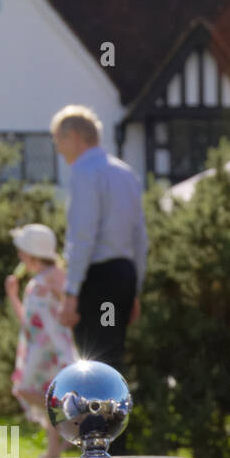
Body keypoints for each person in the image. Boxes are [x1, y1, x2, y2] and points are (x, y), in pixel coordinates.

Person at [50, 105, 148, 375]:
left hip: (98, 280)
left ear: (74, 137)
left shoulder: (84, 173)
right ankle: (114, 416)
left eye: (59, 139)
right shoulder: (126, 173)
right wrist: (135, 289)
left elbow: (83, 236)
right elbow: (140, 238)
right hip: (123, 277)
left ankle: (96, 418)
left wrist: (71, 292)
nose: (58, 148)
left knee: (92, 362)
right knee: (113, 358)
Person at [5, 224, 76, 458]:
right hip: (38, 352)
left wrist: (57, 290)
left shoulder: (56, 276)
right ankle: (56, 444)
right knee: (33, 391)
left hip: (54, 350)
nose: (19, 255)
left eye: (22, 250)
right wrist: (13, 295)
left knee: (40, 392)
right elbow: (27, 322)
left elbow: (70, 308)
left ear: (33, 253)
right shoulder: (34, 283)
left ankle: (64, 436)